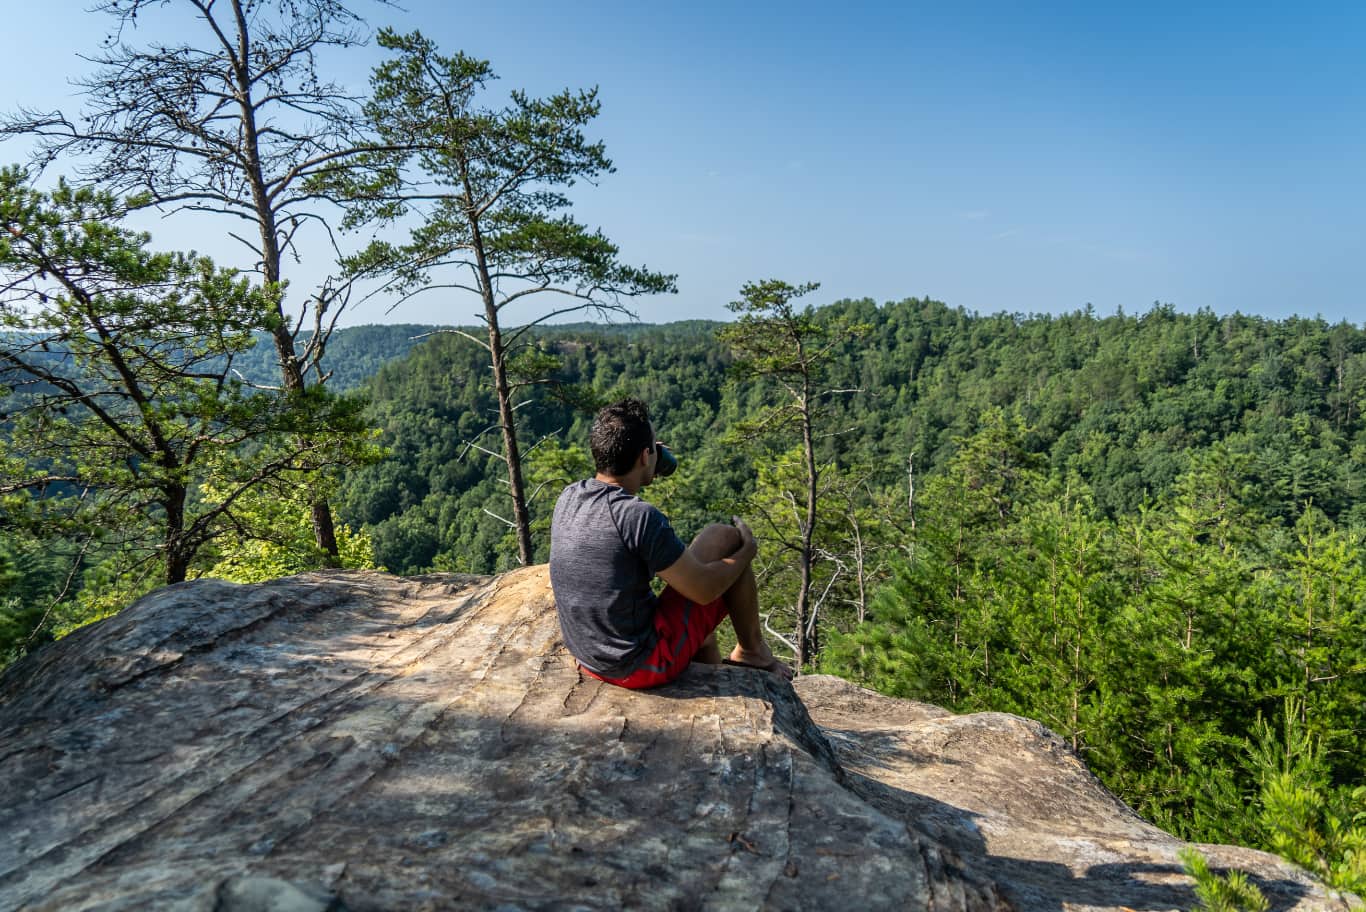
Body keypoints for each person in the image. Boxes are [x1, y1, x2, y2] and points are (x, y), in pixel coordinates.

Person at [550, 398, 792, 688]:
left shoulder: (570, 495)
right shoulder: (638, 517)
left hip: (589, 655)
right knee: (734, 542)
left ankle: (714, 683)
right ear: (644, 456)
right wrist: (744, 555)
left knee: (720, 539)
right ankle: (753, 653)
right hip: (635, 665)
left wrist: (646, 454)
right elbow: (703, 591)